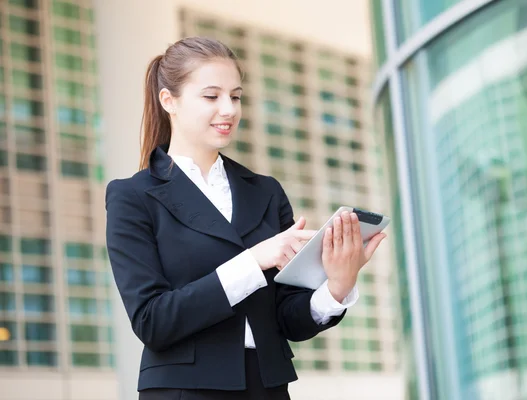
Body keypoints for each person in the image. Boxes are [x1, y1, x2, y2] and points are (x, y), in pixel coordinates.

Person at [105, 36, 386, 400]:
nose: (229, 109)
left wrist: (337, 284)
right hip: (185, 392)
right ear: (168, 100)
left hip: (267, 387)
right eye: (212, 96)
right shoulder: (133, 196)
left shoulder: (266, 192)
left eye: (235, 96)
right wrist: (253, 260)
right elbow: (152, 321)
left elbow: (287, 318)